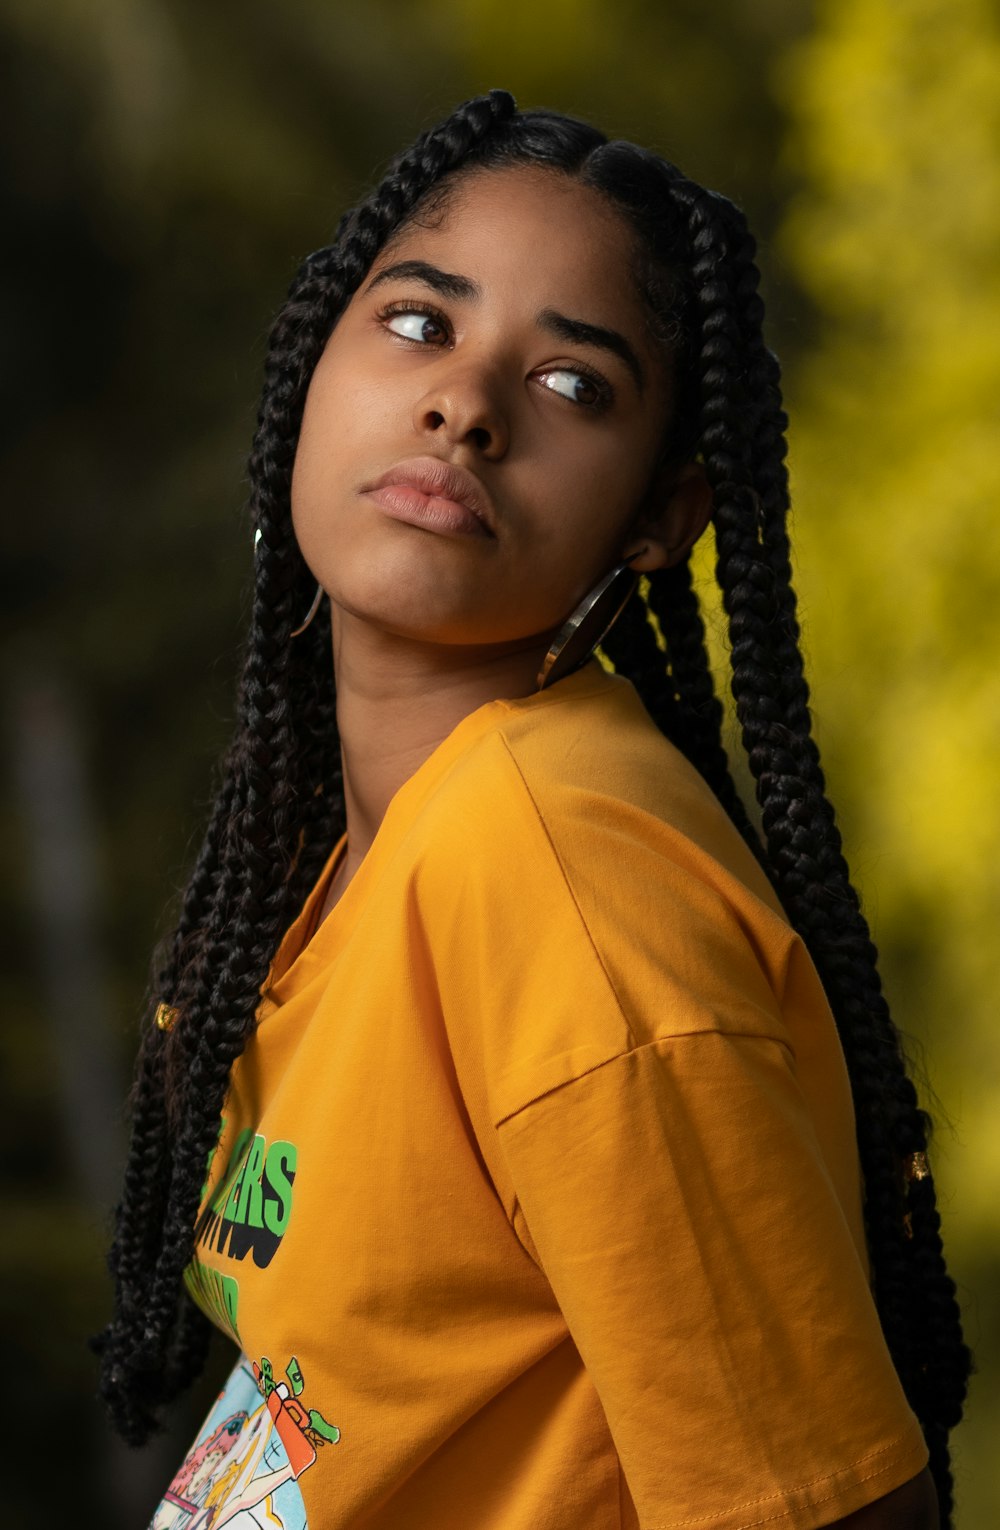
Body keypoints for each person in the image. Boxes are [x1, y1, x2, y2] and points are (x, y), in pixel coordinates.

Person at [95, 90, 971, 1530]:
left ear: (659, 516)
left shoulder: (552, 860)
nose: (466, 405)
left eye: (573, 387)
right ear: (311, 364)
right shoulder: (367, 847)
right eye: (422, 325)